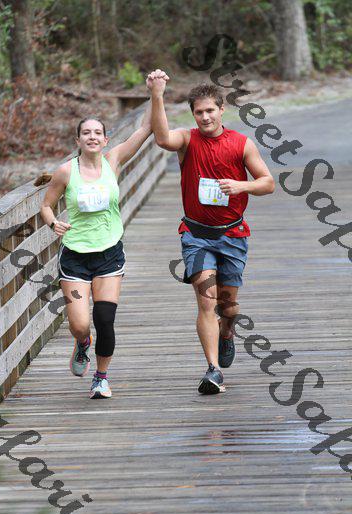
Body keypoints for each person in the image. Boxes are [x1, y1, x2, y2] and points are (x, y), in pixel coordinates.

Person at [147, 70, 275, 395]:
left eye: (210, 111)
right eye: (199, 112)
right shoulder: (187, 140)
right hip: (196, 235)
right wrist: (157, 94)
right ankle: (213, 369)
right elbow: (162, 139)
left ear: (221, 110)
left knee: (228, 307)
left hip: (232, 235)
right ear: (193, 115)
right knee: (207, 302)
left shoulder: (241, 144)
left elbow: (268, 183)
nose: (205, 117)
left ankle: (227, 331)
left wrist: (241, 186)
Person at [40, 103, 154, 399]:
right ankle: (82, 343)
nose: (92, 136)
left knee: (104, 320)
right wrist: (53, 223)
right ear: (77, 140)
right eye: (86, 133)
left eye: (97, 133)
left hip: (109, 255)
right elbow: (46, 205)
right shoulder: (66, 171)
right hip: (75, 257)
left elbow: (145, 129)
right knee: (80, 324)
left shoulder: (113, 161)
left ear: (105, 140)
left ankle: (101, 378)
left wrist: (156, 94)